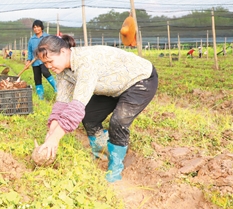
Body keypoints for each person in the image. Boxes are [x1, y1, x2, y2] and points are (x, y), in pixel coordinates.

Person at [34, 35, 158, 183]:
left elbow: (76, 108)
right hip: (111, 87)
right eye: (45, 63)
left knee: (118, 121)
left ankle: (116, 165)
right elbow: (62, 104)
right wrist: (50, 134)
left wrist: (55, 139)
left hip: (139, 80)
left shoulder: (86, 63)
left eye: (50, 61)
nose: (48, 67)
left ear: (63, 52)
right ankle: (102, 153)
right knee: (90, 116)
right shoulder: (62, 70)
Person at [24, 20, 57, 99]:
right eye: (34, 27)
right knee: (37, 78)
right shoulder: (32, 39)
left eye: (38, 27)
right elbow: (30, 51)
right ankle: (40, 97)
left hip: (44, 60)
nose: (36, 29)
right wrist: (28, 61)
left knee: (45, 72)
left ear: (41, 27)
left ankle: (57, 88)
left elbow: (51, 46)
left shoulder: (46, 37)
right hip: (34, 62)